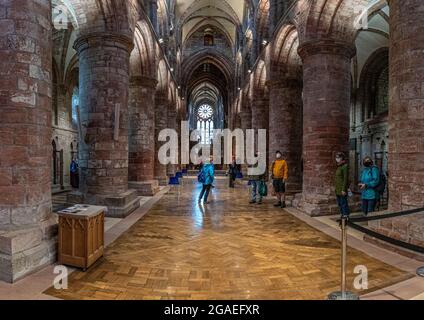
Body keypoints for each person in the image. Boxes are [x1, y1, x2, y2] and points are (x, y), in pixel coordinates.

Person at [334, 152, 350, 218]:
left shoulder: (345, 166)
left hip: (342, 189)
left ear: (342, 158)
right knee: (339, 203)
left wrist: (343, 189)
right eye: (336, 157)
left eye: (338, 157)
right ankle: (342, 214)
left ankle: (346, 215)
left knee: (343, 203)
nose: (337, 159)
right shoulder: (338, 167)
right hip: (337, 188)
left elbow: (345, 179)